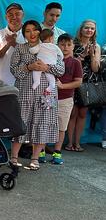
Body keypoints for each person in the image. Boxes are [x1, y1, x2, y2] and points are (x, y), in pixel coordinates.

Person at [9, 20, 65, 170]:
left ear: (40, 31)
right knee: (21, 122)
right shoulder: (20, 48)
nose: (32, 33)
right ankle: (14, 157)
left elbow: (61, 70)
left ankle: (35, 158)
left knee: (43, 122)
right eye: (28, 31)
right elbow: (14, 70)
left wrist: (47, 67)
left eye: (34, 30)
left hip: (47, 93)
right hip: (25, 93)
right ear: (24, 34)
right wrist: (29, 67)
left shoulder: (52, 47)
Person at [66, 19, 101, 152]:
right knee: (73, 113)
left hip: (88, 84)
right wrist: (83, 55)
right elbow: (70, 65)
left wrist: (92, 56)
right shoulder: (73, 44)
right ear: (81, 29)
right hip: (74, 81)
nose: (89, 30)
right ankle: (69, 143)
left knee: (82, 113)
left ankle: (77, 143)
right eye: (87, 28)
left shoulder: (96, 46)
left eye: (92, 28)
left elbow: (95, 69)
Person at [51, 34, 82, 164]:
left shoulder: (75, 62)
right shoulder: (52, 60)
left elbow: (78, 82)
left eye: (69, 45)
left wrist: (62, 86)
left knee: (61, 127)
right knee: (45, 125)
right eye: (62, 44)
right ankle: (40, 150)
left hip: (66, 99)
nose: (65, 47)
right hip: (49, 98)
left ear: (73, 46)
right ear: (57, 45)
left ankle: (57, 152)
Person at [0, 2, 26, 85]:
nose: (14, 17)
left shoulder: (30, 33)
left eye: (17, 14)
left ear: (22, 15)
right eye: (10, 15)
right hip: (3, 82)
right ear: (6, 17)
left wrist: (14, 44)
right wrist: (7, 45)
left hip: (25, 83)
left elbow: (32, 57)